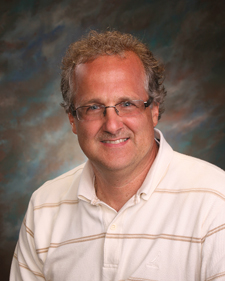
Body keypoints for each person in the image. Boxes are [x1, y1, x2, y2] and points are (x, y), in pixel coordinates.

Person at [10, 31, 225, 281]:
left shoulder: (215, 199)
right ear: (72, 120)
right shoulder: (44, 207)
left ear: (154, 110)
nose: (112, 125)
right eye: (93, 107)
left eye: (127, 104)